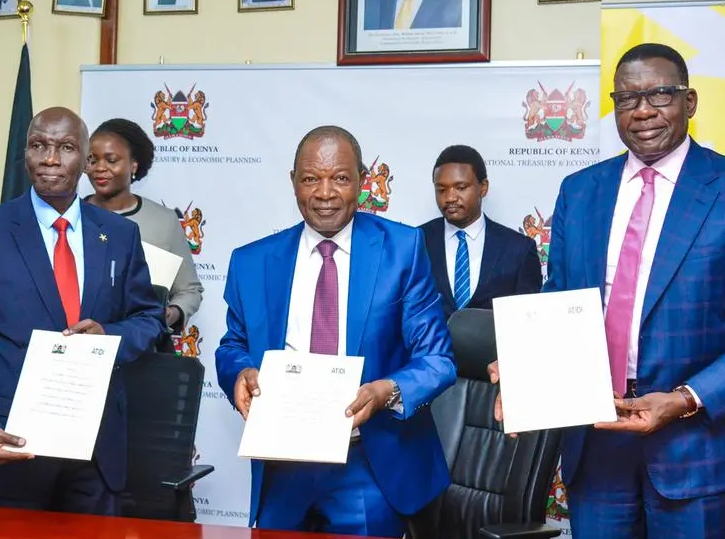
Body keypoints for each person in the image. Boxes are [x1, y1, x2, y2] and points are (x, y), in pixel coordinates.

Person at [489, 43, 725, 537]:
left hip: (694, 447)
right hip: (596, 443)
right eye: (626, 99)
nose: (641, 111)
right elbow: (561, 301)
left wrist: (685, 398)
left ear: (690, 101)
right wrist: (526, 367)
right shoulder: (581, 190)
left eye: (659, 95)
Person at [215, 125, 456, 537]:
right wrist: (239, 371)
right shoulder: (252, 262)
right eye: (311, 178)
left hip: (367, 461)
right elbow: (232, 345)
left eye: (340, 178)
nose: (325, 192)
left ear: (362, 181)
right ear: (293, 183)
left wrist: (388, 391)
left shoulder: (402, 249)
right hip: (282, 463)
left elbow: (437, 360)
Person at [0, 107, 166, 514]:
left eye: (64, 148)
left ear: (84, 158)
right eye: (38, 146)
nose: (50, 159)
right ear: (24, 153)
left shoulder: (118, 235)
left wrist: (109, 336)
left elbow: (149, 321)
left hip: (96, 457)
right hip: (11, 450)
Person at [84, 118, 204, 343]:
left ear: (134, 165)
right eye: (92, 160)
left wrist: (170, 314)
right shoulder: (71, 218)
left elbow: (190, 290)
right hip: (83, 347)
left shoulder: (164, 221)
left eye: (111, 160)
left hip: (143, 348)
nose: (100, 168)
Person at [420, 145, 542, 319]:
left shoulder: (519, 250)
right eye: (441, 190)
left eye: (461, 187)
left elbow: (528, 321)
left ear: (483, 187)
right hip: (432, 346)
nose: (450, 198)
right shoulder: (416, 242)